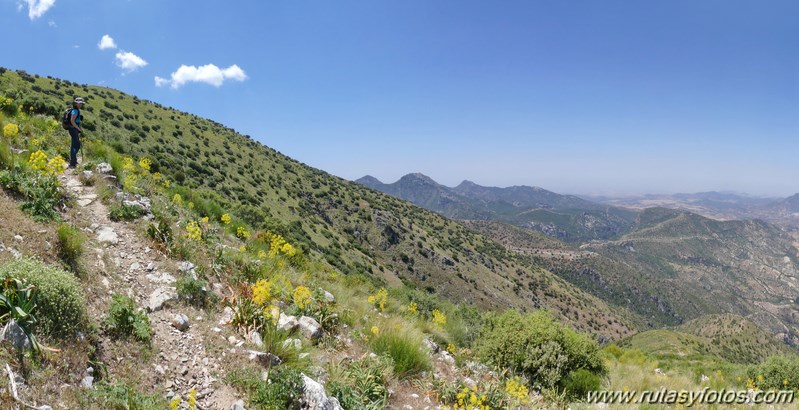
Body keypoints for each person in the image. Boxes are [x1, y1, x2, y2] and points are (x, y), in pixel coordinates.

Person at [68, 97, 85, 168]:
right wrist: (78, 129)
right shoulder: (75, 111)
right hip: (73, 129)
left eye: (81, 104)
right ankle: (73, 163)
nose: (81, 105)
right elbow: (72, 121)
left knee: (76, 145)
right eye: (79, 103)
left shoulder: (76, 110)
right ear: (76, 104)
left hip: (73, 129)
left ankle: (73, 160)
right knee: (75, 146)